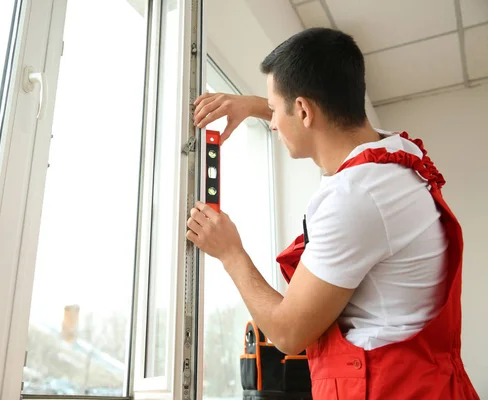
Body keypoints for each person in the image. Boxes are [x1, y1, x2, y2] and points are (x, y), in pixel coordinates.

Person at [186, 28, 479, 399]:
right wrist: (257, 105)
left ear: (304, 109)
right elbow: (317, 122)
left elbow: (289, 334)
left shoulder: (356, 197)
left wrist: (230, 253)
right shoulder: (393, 158)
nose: (272, 123)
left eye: (275, 111)